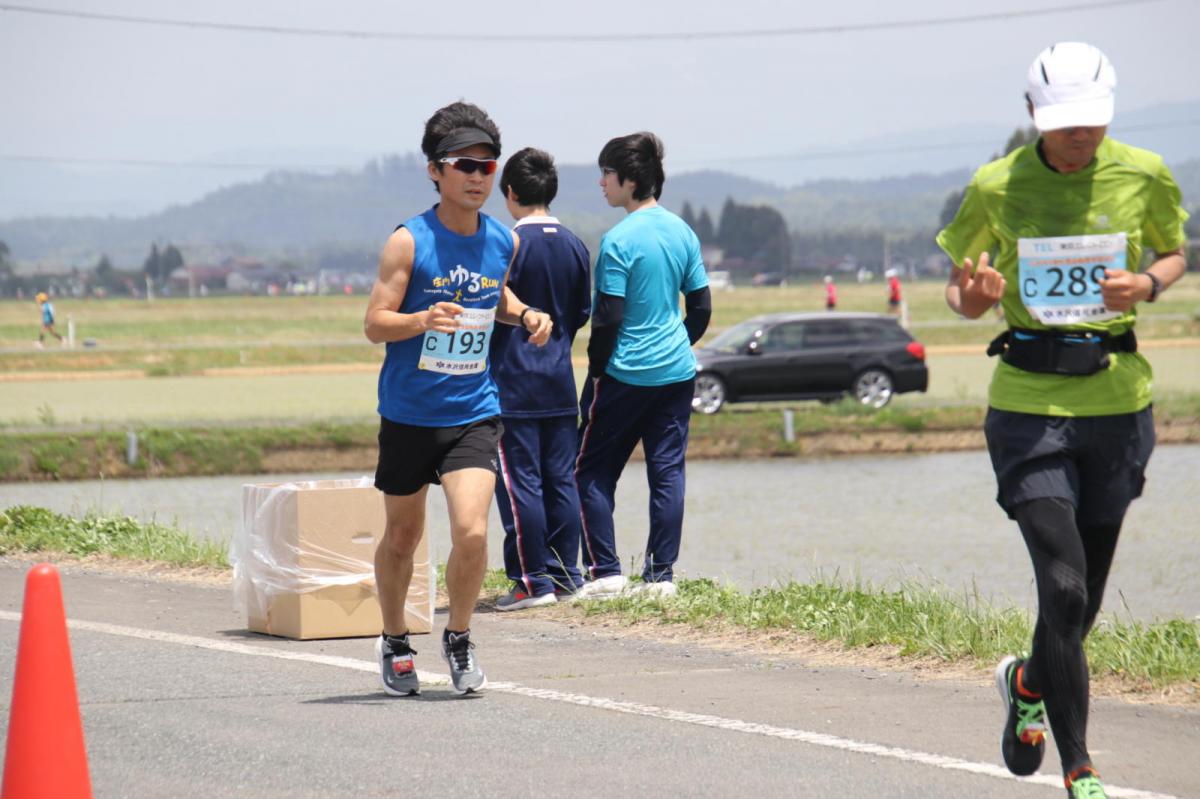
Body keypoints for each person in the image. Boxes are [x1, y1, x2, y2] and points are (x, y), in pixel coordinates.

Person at [937, 42, 1188, 799]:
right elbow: (960, 291)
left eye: (1092, 122)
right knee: (1065, 588)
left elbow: (1176, 253)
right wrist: (978, 294)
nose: (1080, 136)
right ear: (1032, 117)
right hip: (1026, 406)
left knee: (1082, 601)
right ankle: (1080, 767)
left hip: (1116, 403)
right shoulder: (995, 185)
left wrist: (1144, 281)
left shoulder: (1144, 173)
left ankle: (1027, 680)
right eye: (1063, 124)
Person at [363, 101, 552, 696]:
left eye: (487, 166)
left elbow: (495, 294)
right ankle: (395, 640)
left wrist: (525, 314)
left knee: (471, 532)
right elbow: (374, 323)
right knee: (402, 537)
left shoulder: (503, 241)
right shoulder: (407, 241)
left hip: (474, 409)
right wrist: (419, 319)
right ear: (435, 171)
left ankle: (460, 637)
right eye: (464, 164)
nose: (477, 176)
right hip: (409, 414)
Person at [573, 131, 712, 600]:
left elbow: (608, 319)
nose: (601, 183)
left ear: (629, 181)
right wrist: (676, 343)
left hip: (624, 374)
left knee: (590, 471)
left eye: (607, 174)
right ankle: (660, 577)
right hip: (676, 373)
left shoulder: (617, 241)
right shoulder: (682, 231)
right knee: (667, 473)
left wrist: (596, 369)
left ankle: (606, 572)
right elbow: (701, 308)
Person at [490, 147, 592, 610]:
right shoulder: (575, 244)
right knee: (561, 481)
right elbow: (582, 312)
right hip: (559, 379)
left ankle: (532, 581)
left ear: (509, 192)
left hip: (512, 382)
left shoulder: (504, 243)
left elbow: (491, 306)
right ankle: (567, 574)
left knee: (520, 485)